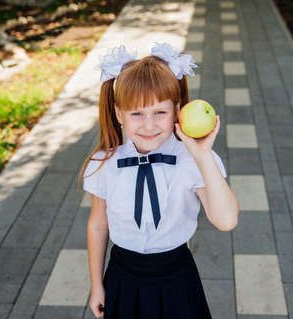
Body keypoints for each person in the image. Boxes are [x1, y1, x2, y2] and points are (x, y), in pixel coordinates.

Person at [77, 42, 239, 319]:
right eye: (137, 114)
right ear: (119, 114)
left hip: (176, 279)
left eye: (160, 113)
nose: (148, 125)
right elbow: (98, 224)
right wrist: (96, 285)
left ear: (177, 110)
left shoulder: (192, 161)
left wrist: (203, 156)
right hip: (122, 278)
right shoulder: (104, 163)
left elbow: (226, 221)